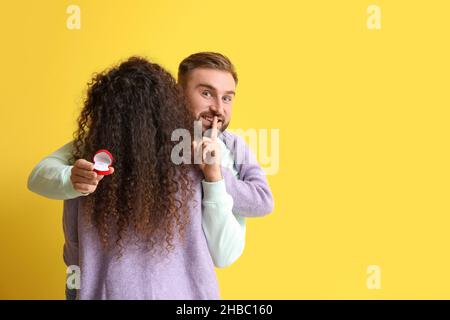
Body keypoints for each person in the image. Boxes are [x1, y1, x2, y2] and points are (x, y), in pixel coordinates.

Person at [28, 53, 274, 299]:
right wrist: (71, 178)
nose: (218, 108)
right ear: (175, 98)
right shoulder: (90, 159)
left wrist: (215, 175)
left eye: (227, 97)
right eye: (206, 93)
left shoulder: (223, 150)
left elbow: (260, 203)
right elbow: (39, 176)